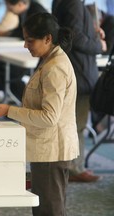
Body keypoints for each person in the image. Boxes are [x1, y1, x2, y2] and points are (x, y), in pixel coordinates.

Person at [0, 12, 79, 216]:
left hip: (52, 150)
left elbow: (49, 117)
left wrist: (9, 110)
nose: (25, 45)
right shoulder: (50, 60)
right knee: (48, 207)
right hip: (49, 148)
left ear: (48, 38)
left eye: (30, 40)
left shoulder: (55, 68)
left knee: (49, 210)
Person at [52, 0, 107, 182]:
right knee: (76, 124)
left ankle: (70, 166)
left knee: (73, 123)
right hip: (79, 72)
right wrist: (99, 46)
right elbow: (74, 37)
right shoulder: (73, 3)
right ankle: (74, 168)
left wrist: (93, 34)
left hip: (75, 70)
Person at [0, 0, 48, 102]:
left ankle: (26, 102)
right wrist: (6, 34)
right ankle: (16, 99)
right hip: (29, 52)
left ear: (20, 4)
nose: (10, 11)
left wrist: (5, 33)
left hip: (37, 55)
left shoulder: (36, 12)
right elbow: (21, 31)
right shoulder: (25, 11)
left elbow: (28, 34)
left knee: (10, 74)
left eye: (11, 8)